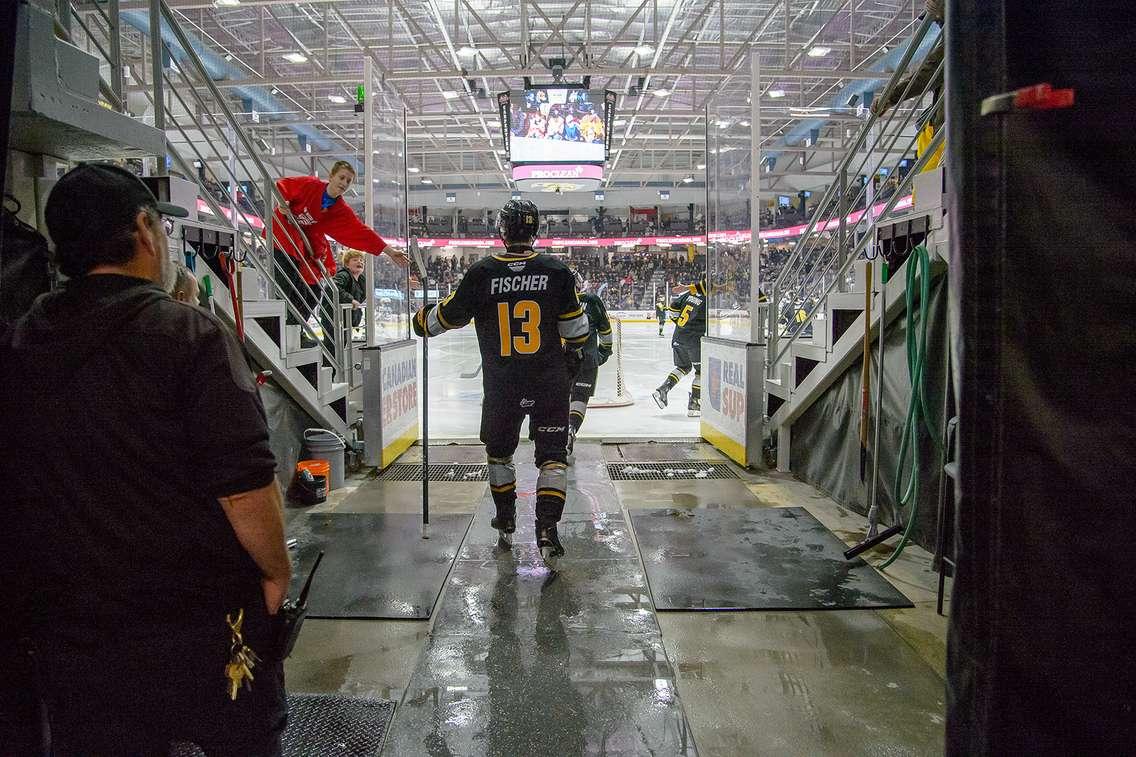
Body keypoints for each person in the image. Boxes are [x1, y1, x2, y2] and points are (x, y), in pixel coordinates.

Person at [0, 163, 291, 754]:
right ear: (144, 230)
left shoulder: (23, 340)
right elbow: (243, 487)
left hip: (73, 626)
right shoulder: (190, 337)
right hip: (198, 621)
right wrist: (275, 571)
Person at [412, 199, 588, 570]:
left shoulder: (482, 273)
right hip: (548, 383)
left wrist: (420, 320)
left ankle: (506, 517)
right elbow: (578, 330)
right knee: (553, 459)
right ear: (536, 230)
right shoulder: (556, 271)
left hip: (502, 386)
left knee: (499, 454)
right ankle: (547, 530)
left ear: (501, 231)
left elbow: (442, 319)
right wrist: (570, 356)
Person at [268, 160, 408, 350]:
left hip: (301, 247)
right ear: (331, 176)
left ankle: (294, 328)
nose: (344, 183)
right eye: (341, 177)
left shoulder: (339, 210)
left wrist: (389, 251)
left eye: (348, 181)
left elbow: (361, 232)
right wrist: (282, 203)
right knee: (288, 284)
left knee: (313, 290)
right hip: (282, 237)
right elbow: (283, 186)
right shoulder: (310, 185)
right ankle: (280, 330)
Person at [566, 271, 613, 458]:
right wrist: (604, 352)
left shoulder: (551, 300)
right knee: (579, 397)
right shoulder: (592, 300)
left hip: (560, 358)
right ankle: (571, 429)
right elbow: (605, 330)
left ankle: (555, 434)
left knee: (560, 398)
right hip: (587, 358)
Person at [653, 276, 710, 417]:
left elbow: (673, 307)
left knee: (684, 367)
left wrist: (679, 323)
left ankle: (662, 390)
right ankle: (694, 404)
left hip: (678, 336)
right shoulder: (708, 300)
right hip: (694, 340)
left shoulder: (689, 294)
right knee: (701, 371)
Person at [333, 249, 367, 335]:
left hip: (347, 319)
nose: (360, 262)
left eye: (361, 260)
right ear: (347, 264)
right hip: (335, 319)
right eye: (355, 260)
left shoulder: (362, 280)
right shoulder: (343, 275)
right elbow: (333, 287)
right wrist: (351, 300)